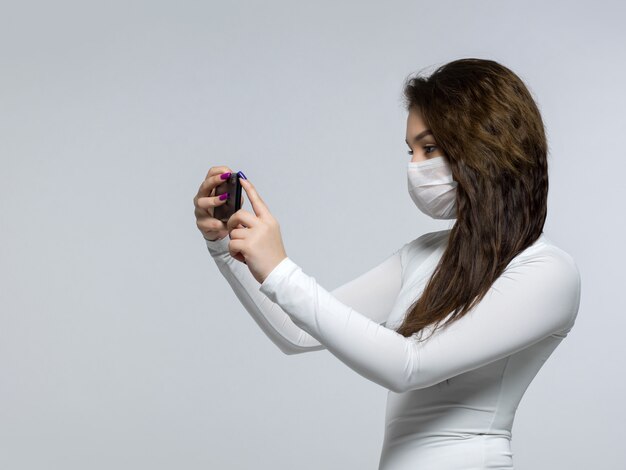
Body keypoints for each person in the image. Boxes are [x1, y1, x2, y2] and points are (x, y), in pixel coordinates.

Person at [192, 58, 581, 470]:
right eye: (410, 151)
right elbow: (296, 332)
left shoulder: (547, 272)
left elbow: (410, 366)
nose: (414, 166)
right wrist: (225, 246)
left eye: (428, 148)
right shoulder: (424, 254)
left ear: (485, 144)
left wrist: (280, 269)